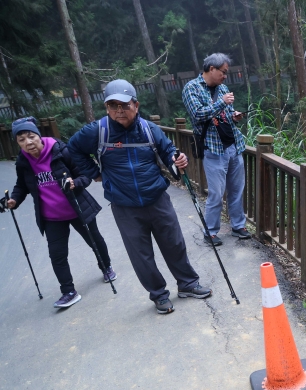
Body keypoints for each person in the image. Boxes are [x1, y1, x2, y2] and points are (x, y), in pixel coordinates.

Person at [68, 79, 212, 314]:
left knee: (174, 244)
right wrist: (95, 173)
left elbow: (168, 151)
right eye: (113, 105)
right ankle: (159, 295)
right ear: (106, 108)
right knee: (141, 254)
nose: (119, 110)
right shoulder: (97, 131)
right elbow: (73, 149)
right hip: (124, 205)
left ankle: (187, 284)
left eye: (124, 105)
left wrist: (177, 160)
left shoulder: (149, 129)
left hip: (157, 197)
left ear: (136, 105)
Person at [5, 117, 115, 309]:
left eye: (31, 137)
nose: (28, 142)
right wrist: (14, 200)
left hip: (77, 207)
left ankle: (106, 267)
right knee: (57, 254)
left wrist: (74, 183)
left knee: (95, 241)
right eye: (21, 140)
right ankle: (68, 291)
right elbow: (21, 186)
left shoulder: (61, 150)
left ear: (39, 136)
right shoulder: (23, 161)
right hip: (51, 216)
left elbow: (84, 175)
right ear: (17, 143)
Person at [181, 53, 250, 246]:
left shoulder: (223, 89)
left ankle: (238, 226)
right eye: (223, 72)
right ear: (212, 68)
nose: (225, 76)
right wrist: (222, 103)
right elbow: (198, 115)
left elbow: (226, 114)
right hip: (213, 149)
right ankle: (210, 231)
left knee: (236, 190)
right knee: (216, 194)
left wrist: (234, 115)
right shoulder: (191, 88)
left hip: (233, 146)